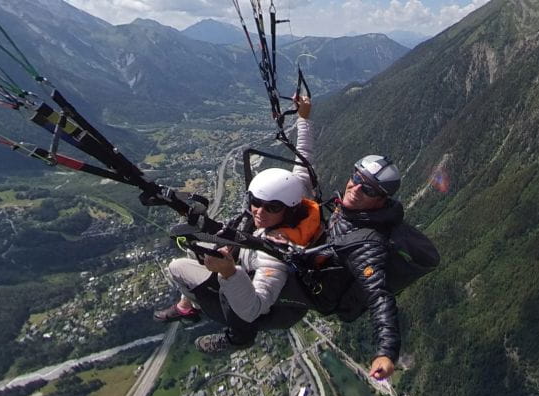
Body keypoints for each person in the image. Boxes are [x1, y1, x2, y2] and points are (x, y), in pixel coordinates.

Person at [153, 166, 321, 353]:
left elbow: (254, 309)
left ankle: (235, 338)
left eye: (272, 207)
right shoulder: (298, 199)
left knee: (176, 267)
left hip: (248, 307)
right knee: (196, 249)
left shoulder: (276, 251)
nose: (259, 211)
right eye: (255, 202)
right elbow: (302, 161)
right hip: (245, 264)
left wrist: (229, 272)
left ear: (289, 210)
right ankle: (186, 306)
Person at [305, 154, 405, 380]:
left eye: (368, 189)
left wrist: (387, 353)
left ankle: (237, 334)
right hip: (319, 262)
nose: (356, 188)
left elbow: (380, 296)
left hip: (317, 293)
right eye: (356, 177)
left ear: (381, 200)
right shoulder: (355, 213)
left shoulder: (367, 245)